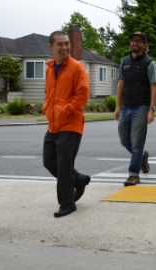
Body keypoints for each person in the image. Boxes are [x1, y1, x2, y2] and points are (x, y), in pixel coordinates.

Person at [43, 30, 91, 218]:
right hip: (53, 123)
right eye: (60, 44)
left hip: (71, 123)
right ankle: (78, 179)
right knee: (49, 161)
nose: (64, 47)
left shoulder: (77, 68)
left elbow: (82, 95)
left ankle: (67, 203)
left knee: (63, 166)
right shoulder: (49, 68)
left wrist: (65, 111)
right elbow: (49, 94)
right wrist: (48, 109)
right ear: (51, 47)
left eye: (67, 43)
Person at [115, 31, 156, 186]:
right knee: (123, 139)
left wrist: (152, 109)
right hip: (126, 106)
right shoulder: (124, 62)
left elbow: (154, 87)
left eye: (139, 41)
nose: (135, 43)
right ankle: (142, 156)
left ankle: (133, 174)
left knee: (137, 142)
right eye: (133, 40)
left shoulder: (149, 63)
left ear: (144, 45)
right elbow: (120, 84)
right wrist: (117, 106)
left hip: (141, 107)